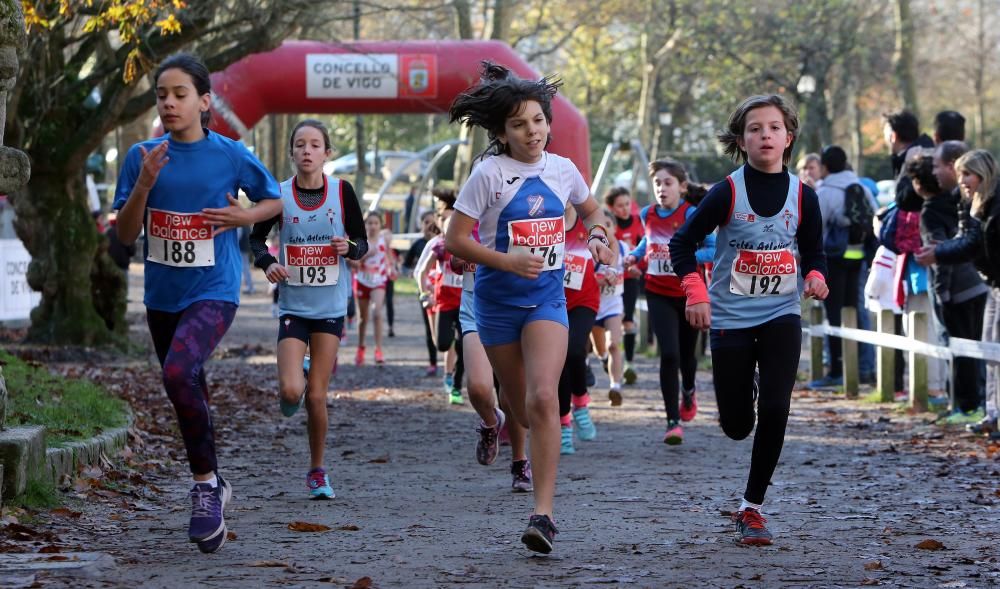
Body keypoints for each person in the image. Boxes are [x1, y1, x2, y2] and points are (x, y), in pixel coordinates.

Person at [112, 53, 283, 554]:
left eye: (179, 94)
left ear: (204, 101)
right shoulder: (142, 155)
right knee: (187, 384)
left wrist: (243, 216)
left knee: (176, 372)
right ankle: (217, 481)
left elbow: (275, 200)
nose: (168, 102)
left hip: (214, 290)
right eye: (161, 94)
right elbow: (124, 235)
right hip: (162, 297)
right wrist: (144, 183)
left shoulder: (230, 154)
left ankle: (205, 487)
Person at [445, 61, 612, 554]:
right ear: (502, 131)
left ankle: (544, 514)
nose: (531, 131)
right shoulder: (488, 174)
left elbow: (591, 209)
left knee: (543, 399)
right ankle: (497, 419)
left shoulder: (562, 169)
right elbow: (456, 240)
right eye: (519, 124)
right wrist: (505, 261)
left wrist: (599, 234)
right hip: (497, 305)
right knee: (518, 408)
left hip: (546, 298)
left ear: (548, 123)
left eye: (538, 120)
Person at [669, 94, 828, 546]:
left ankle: (751, 508)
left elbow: (815, 250)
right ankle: (744, 389)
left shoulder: (804, 196)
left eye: (774, 127)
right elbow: (682, 244)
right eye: (755, 128)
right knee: (738, 425)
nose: (765, 135)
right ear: (741, 140)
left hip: (781, 313)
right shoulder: (727, 192)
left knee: (776, 408)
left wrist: (816, 275)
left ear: (788, 137)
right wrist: (695, 291)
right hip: (731, 319)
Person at [625, 159, 713, 444]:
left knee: (688, 356)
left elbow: (712, 249)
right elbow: (647, 242)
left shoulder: (692, 214)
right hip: (657, 292)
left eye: (668, 183)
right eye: (657, 184)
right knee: (670, 354)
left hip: (688, 294)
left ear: (682, 187)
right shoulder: (648, 213)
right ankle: (672, 421)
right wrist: (636, 256)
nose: (662, 188)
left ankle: (689, 390)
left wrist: (685, 259)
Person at [907, 151, 988, 422]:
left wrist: (941, 292)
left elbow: (939, 251)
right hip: (978, 283)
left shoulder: (930, 212)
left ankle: (963, 407)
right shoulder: (959, 201)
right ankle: (977, 405)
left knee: (959, 349)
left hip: (956, 289)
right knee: (978, 349)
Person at [810, 145, 876, 388]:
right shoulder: (861, 187)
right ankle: (862, 368)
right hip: (858, 259)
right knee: (856, 312)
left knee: (834, 314)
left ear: (825, 166)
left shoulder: (825, 192)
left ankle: (837, 370)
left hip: (833, 261)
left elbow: (815, 229)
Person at [558, 204, 608, 454]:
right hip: (552, 303)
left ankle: (580, 403)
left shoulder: (588, 224)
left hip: (583, 302)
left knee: (574, 351)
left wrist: (610, 269)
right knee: (558, 364)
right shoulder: (546, 225)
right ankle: (564, 425)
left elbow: (610, 252)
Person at [416, 191, 465, 404]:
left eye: (453, 218)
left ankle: (455, 385)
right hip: (441, 302)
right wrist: (425, 294)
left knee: (464, 346)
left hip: (465, 304)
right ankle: (452, 345)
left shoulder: (470, 242)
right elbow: (421, 271)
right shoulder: (438, 245)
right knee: (442, 344)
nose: (448, 222)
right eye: (445, 219)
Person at [605, 187, 642, 384]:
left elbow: (644, 247)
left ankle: (628, 362)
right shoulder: (608, 225)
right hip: (608, 281)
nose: (625, 209)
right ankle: (608, 356)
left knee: (628, 320)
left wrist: (635, 263)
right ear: (611, 207)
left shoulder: (638, 222)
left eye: (627, 204)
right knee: (608, 325)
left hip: (629, 280)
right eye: (620, 206)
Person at [351, 211, 395, 365]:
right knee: (363, 318)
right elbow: (353, 263)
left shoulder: (384, 240)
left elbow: (389, 257)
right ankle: (361, 347)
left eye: (376, 223)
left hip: (379, 281)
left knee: (377, 313)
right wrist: (366, 255)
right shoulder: (360, 242)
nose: (373, 226)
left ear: (380, 225)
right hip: (362, 280)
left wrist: (392, 268)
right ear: (365, 225)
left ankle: (378, 350)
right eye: (370, 223)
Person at [592, 213, 626, 406]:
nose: (604, 230)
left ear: (615, 228)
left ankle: (615, 387)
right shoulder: (590, 251)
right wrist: (600, 280)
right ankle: (604, 360)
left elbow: (632, 266)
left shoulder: (623, 248)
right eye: (599, 227)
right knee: (600, 349)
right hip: (592, 306)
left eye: (608, 225)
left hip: (613, 304)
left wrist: (633, 268)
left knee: (614, 344)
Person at [404, 210, 440, 376]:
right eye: (426, 222)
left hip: (442, 290)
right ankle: (433, 362)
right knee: (430, 328)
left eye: (433, 222)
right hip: (425, 290)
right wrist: (413, 273)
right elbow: (406, 264)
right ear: (421, 225)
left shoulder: (445, 242)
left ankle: (451, 365)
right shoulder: (418, 244)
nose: (430, 226)